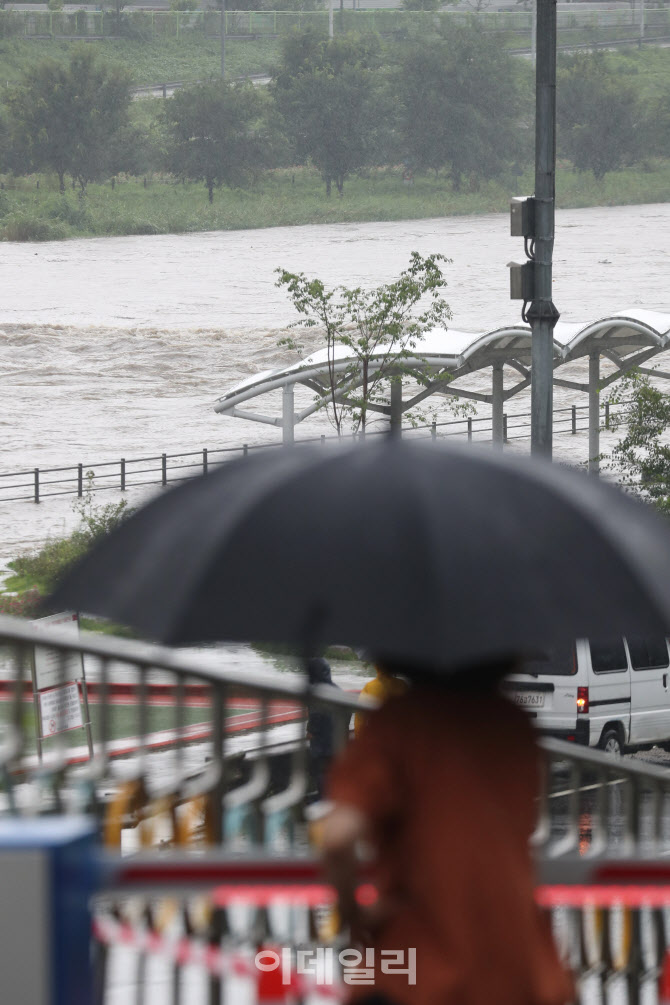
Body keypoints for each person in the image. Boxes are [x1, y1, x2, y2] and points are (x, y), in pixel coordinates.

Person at [322, 659, 574, 1005]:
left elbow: (337, 837)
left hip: (420, 968)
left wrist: (354, 913)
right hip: (520, 964)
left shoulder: (399, 723)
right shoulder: (512, 725)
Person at [306, 657, 341, 801]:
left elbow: (315, 715)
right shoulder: (337, 690)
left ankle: (323, 800)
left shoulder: (317, 692)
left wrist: (310, 731)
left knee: (323, 772)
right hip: (337, 740)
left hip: (322, 742)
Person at [354, 664, 408, 737]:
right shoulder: (403, 684)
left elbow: (360, 717)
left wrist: (358, 736)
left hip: (377, 732)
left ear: (376, 667)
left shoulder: (369, 686)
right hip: (400, 732)